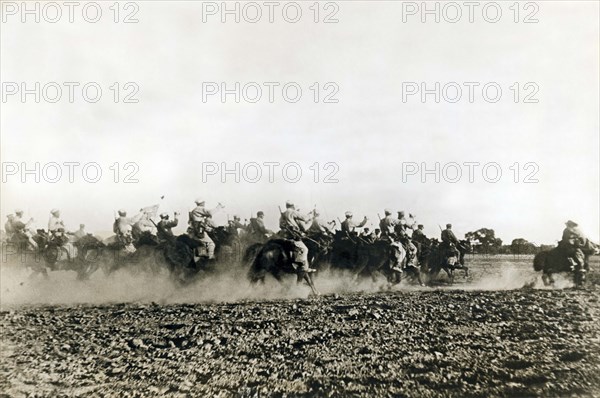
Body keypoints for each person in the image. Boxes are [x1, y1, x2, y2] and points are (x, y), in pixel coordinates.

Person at [279, 201, 315, 273]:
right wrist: (311, 215)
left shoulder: (282, 214)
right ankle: (301, 266)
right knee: (305, 249)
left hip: (284, 235)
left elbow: (280, 225)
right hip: (292, 234)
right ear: (293, 206)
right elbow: (305, 218)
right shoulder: (292, 212)